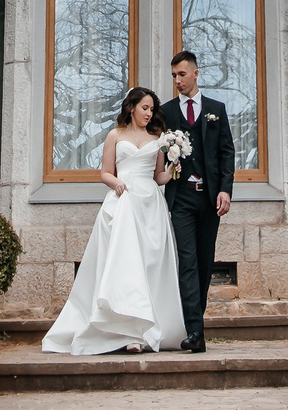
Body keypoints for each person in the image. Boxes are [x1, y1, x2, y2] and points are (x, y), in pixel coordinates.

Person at [41, 86, 185, 354]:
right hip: (124, 202)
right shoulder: (115, 135)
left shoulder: (157, 137)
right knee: (126, 265)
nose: (149, 113)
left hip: (150, 205)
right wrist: (116, 182)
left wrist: (171, 169)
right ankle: (126, 330)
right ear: (131, 108)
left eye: (152, 109)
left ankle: (147, 330)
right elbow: (105, 172)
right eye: (144, 108)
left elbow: (158, 177)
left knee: (149, 264)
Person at [157, 49, 233, 354]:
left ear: (195, 73)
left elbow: (226, 152)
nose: (177, 80)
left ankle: (195, 323)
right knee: (187, 262)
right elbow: (157, 152)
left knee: (204, 262)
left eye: (182, 74)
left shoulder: (216, 110)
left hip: (210, 198)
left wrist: (225, 189)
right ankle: (195, 332)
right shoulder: (166, 112)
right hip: (182, 198)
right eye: (173, 76)